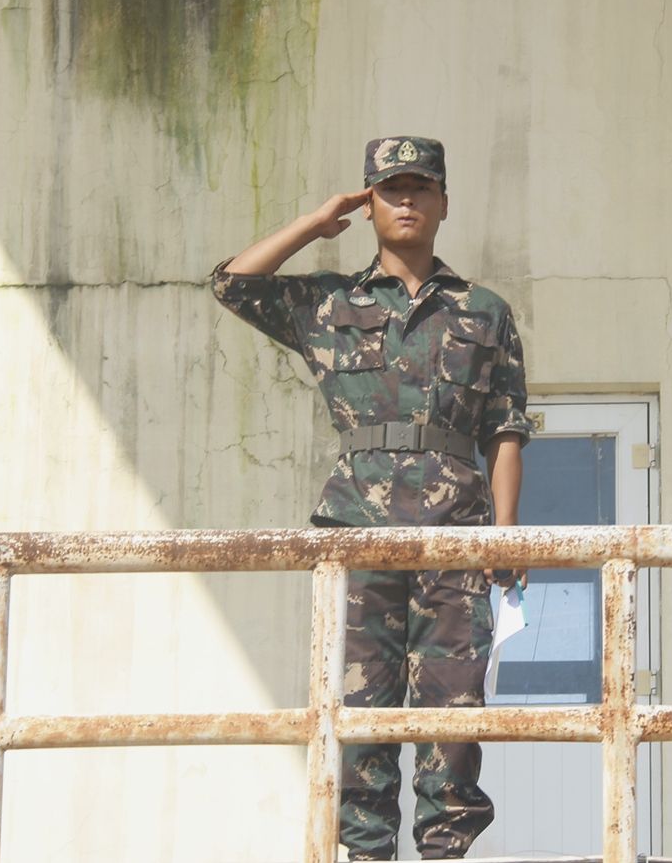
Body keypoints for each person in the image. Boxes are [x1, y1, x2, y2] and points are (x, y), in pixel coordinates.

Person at [212, 136, 530, 860]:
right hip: (358, 532)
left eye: (421, 187)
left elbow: (506, 427)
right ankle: (365, 855)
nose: (406, 200)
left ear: (444, 203)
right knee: (360, 715)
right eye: (390, 189)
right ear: (369, 203)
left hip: (457, 537)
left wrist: (507, 533)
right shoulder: (331, 302)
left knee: (454, 713)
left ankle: (445, 853)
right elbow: (233, 283)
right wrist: (313, 223)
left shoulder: (484, 311)